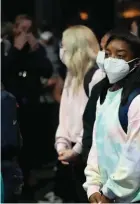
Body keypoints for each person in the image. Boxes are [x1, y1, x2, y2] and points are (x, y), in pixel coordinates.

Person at [83, 31, 140, 203]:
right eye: (107, 54)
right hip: (109, 195)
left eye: (120, 56)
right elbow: (98, 146)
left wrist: (109, 192)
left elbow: (137, 157)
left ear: (136, 63)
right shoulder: (105, 94)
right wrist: (93, 186)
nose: (111, 60)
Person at [1, 14, 53, 201]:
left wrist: (35, 50)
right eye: (22, 29)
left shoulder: (35, 49)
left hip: (31, 103)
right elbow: (5, 70)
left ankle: (29, 179)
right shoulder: (6, 46)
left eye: (29, 30)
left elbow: (46, 70)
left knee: (30, 143)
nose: (25, 33)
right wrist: (16, 48)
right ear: (15, 28)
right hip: (11, 104)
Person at [54, 25, 100, 202]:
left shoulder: (96, 76)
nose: (61, 50)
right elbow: (64, 117)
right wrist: (62, 146)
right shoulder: (71, 75)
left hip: (88, 151)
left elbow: (93, 121)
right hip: (71, 152)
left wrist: (76, 151)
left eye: (64, 46)